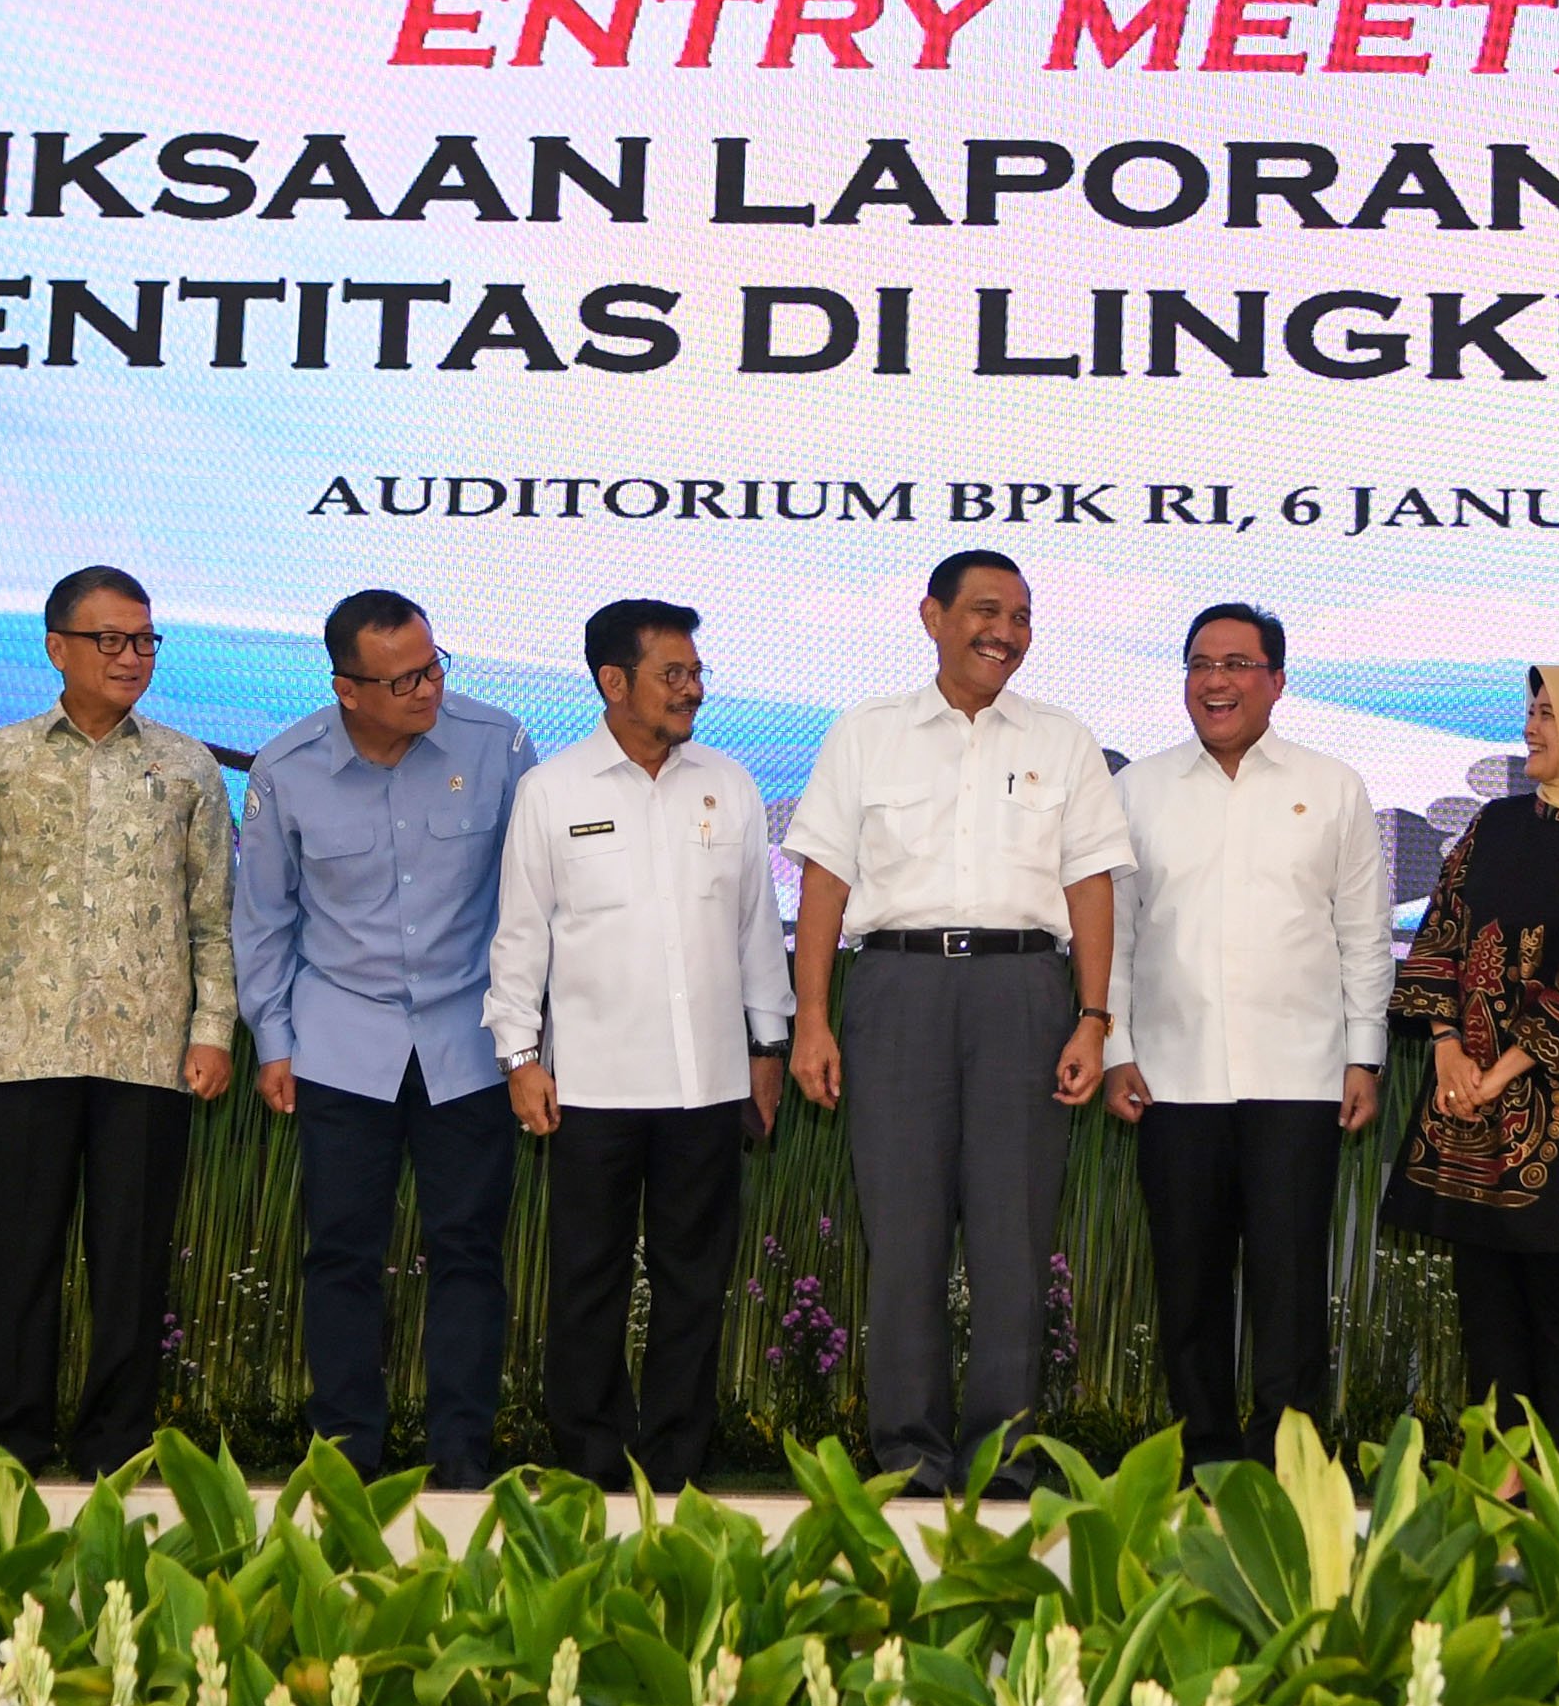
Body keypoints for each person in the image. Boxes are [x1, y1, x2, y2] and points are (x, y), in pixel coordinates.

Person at [782, 550, 1132, 1493]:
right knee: (902, 1238)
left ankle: (1005, 1457)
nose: (1006, 632)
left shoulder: (1063, 739)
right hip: (896, 992)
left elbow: (1091, 885)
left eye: (1022, 616)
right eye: (986, 611)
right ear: (931, 615)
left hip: (1026, 995)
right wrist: (812, 1019)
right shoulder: (867, 733)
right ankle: (909, 1455)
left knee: (1016, 1241)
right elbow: (823, 879)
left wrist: (1094, 1018)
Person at [0, 565, 236, 1478]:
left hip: (150, 1055)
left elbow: (214, 912)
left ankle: (116, 1446)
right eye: (111, 641)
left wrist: (213, 1026)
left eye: (144, 640)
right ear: (57, 647)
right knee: (21, 1259)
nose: (132, 658)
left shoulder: (185, 765)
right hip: (21, 1047)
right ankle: (11, 1444)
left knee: (130, 1264)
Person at [483, 597, 792, 1491]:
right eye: (673, 674)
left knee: (695, 1285)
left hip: (707, 1084)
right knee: (587, 1283)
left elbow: (752, 932)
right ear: (612, 682)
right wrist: (518, 1055)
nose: (691, 689)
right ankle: (590, 1460)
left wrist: (765, 1051)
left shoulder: (726, 785)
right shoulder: (554, 790)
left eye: (696, 672)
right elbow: (520, 936)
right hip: (590, 1087)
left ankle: (679, 1465)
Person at [235, 589, 536, 1487]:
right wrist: (273, 1040)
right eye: (404, 678)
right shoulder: (286, 768)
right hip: (338, 1043)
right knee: (341, 1253)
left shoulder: (498, 744)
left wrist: (527, 1035)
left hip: (470, 1041)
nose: (427, 689)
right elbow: (265, 919)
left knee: (470, 1252)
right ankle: (344, 1454)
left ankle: (461, 1457)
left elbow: (532, 896)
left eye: (435, 666)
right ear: (348, 688)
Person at [1102, 602, 1393, 1468]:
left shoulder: (1333, 785)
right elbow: (1111, 932)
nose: (1215, 681)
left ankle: (1288, 1462)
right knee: (1188, 1285)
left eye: (1236, 663)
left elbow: (1362, 931)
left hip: (1298, 1077)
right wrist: (1115, 1047)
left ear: (1276, 680)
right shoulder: (1137, 790)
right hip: (1172, 1076)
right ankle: (1205, 1461)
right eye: (1200, 664)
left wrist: (1364, 1054)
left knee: (1289, 1285)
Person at [1382, 665, 1559, 1466]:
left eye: (1550, 714)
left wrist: (1498, 1072)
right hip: (1463, 1091)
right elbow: (1442, 934)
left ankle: (1554, 1471)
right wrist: (1444, 1049)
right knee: (1482, 1292)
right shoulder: (1495, 823)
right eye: (1530, 712)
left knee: (1554, 1289)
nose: (1532, 728)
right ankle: (1494, 1463)